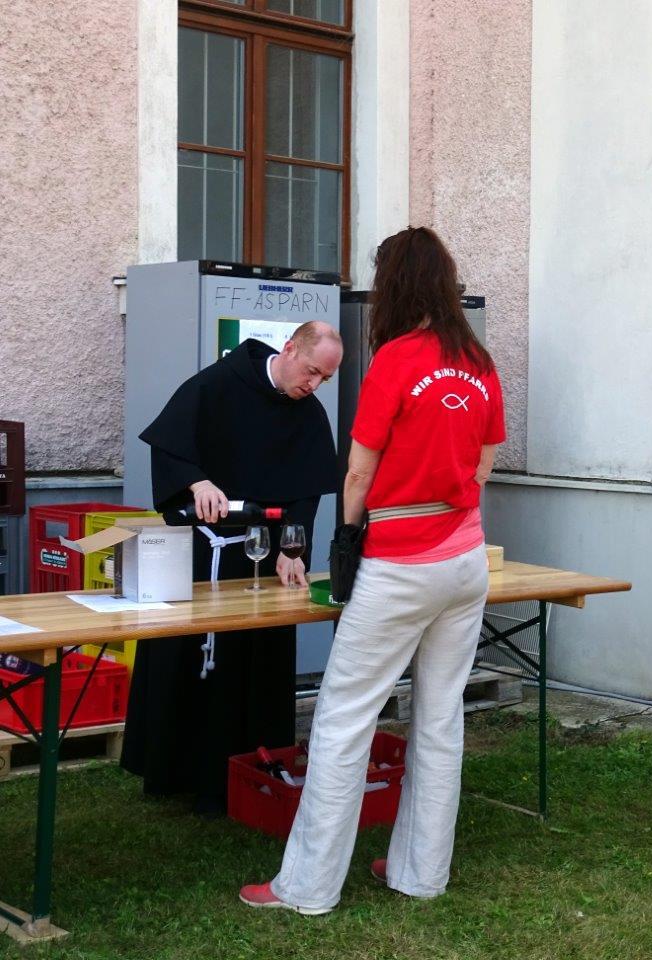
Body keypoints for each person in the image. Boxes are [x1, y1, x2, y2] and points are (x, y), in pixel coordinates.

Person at [240, 226, 505, 914]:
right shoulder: (478, 361)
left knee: (343, 718)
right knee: (441, 717)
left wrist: (348, 536)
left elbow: (358, 472)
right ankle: (421, 873)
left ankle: (307, 887)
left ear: (393, 285)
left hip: (400, 561)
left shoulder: (393, 359)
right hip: (465, 557)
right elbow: (484, 462)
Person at [121, 321, 342, 816]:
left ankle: (254, 773)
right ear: (290, 349)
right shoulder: (217, 384)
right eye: (311, 372)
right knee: (192, 663)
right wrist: (197, 482)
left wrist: (294, 548)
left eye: (324, 379)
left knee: (256, 666)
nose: (314, 385)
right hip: (207, 555)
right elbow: (170, 444)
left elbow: (307, 493)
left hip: (264, 558)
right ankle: (182, 775)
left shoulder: (308, 413)